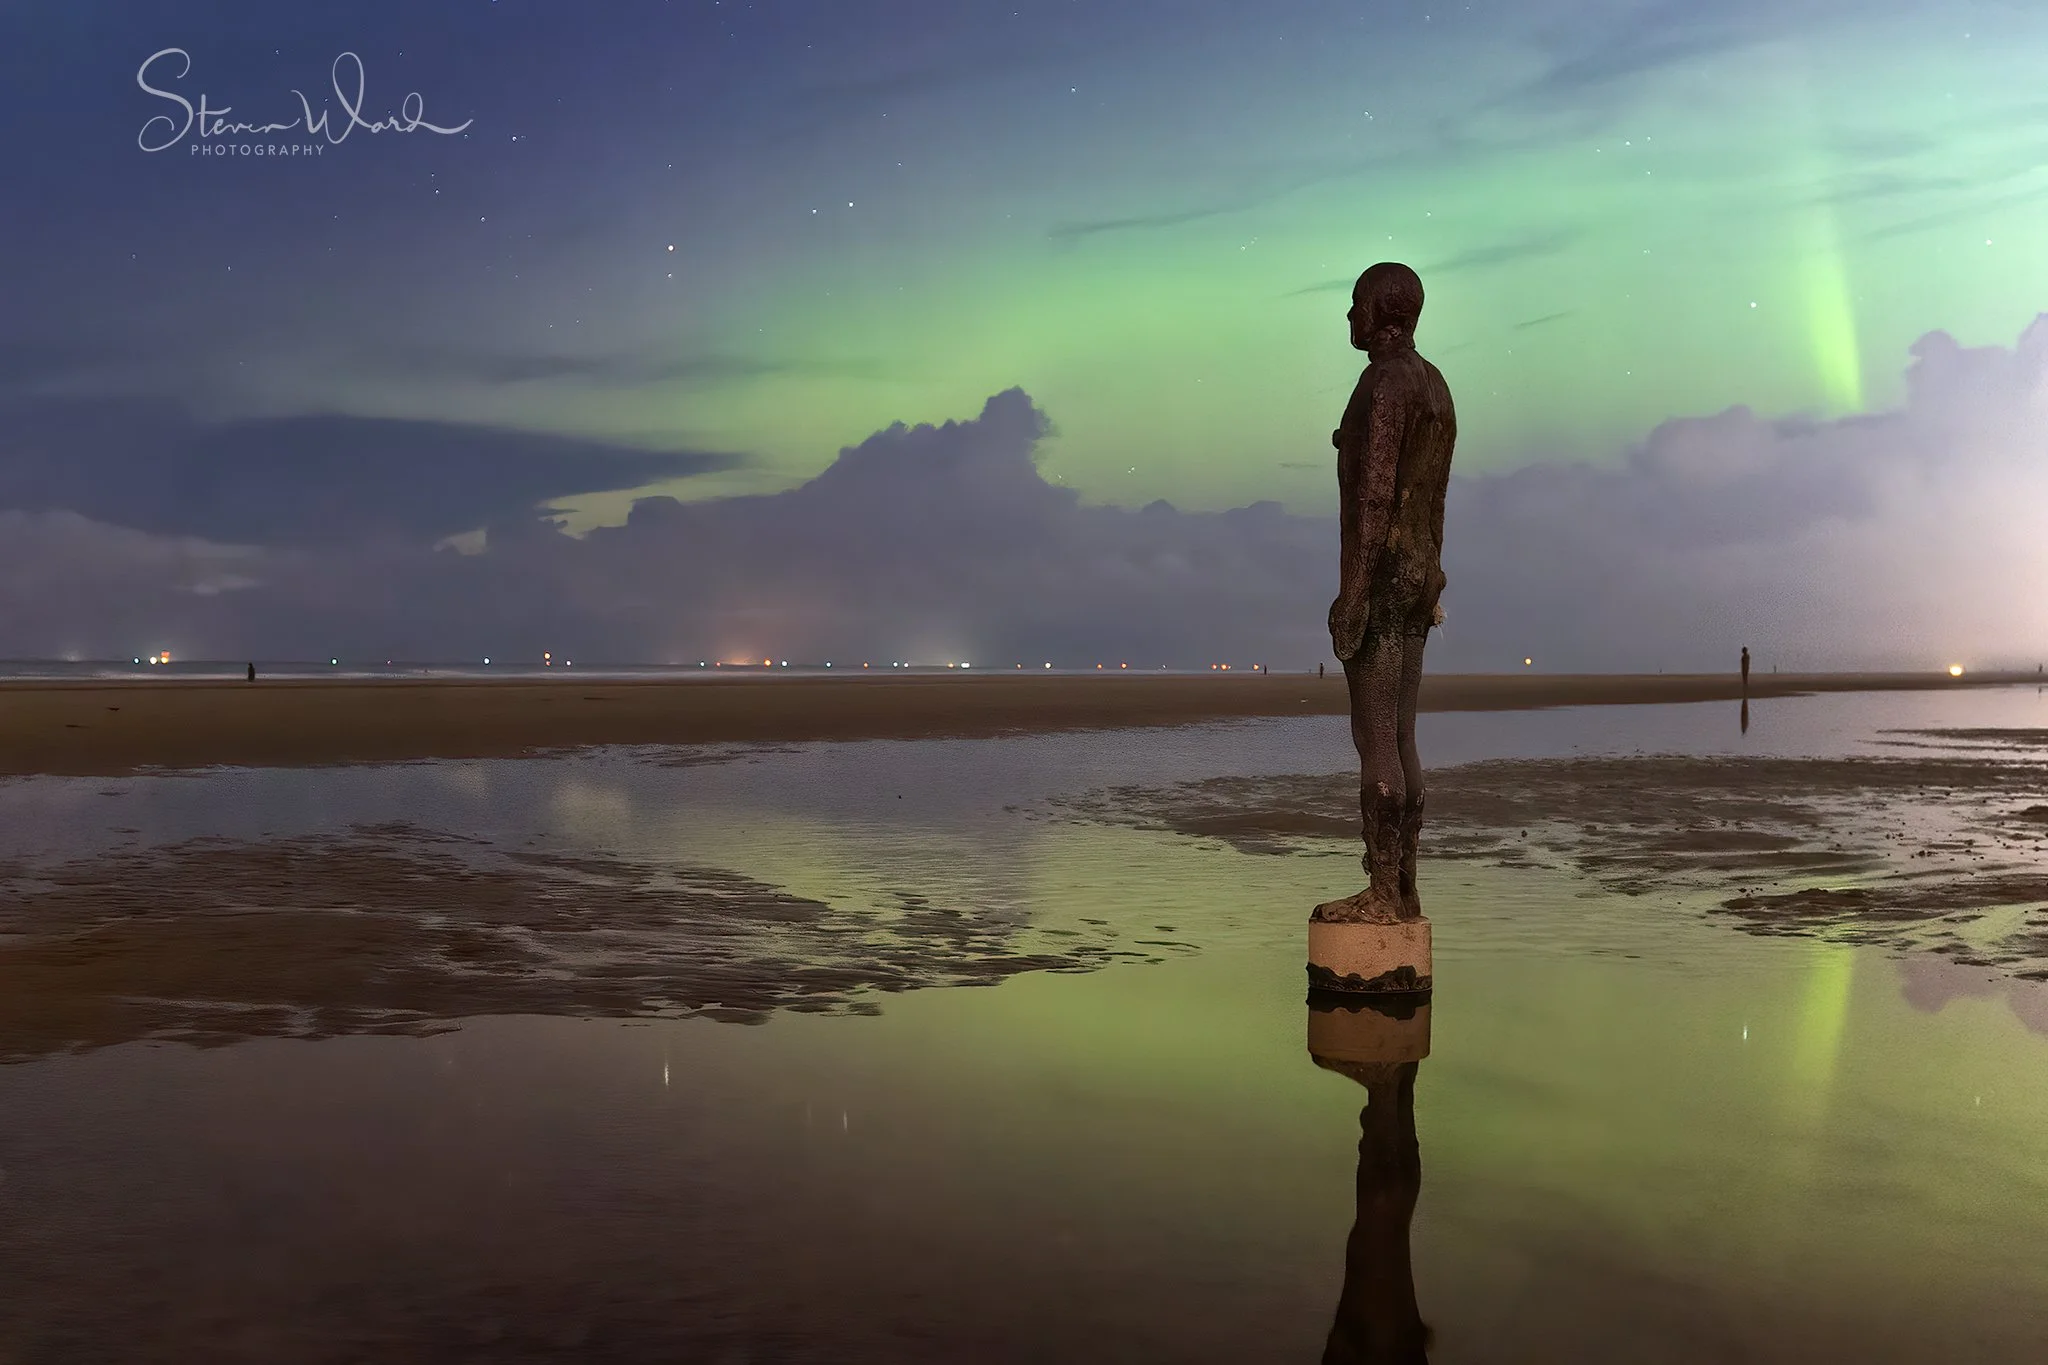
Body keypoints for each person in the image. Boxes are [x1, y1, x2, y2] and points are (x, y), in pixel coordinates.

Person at [1318, 262, 1456, 924]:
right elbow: (1434, 498)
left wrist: (1353, 590)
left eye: (1357, 305)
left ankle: (1382, 889)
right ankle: (1404, 886)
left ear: (1386, 314)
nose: (1350, 318)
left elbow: (1376, 494)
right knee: (1402, 731)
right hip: (1419, 571)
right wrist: (1432, 575)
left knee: (1374, 732)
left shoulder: (1385, 383)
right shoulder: (1437, 386)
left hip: (1381, 573)